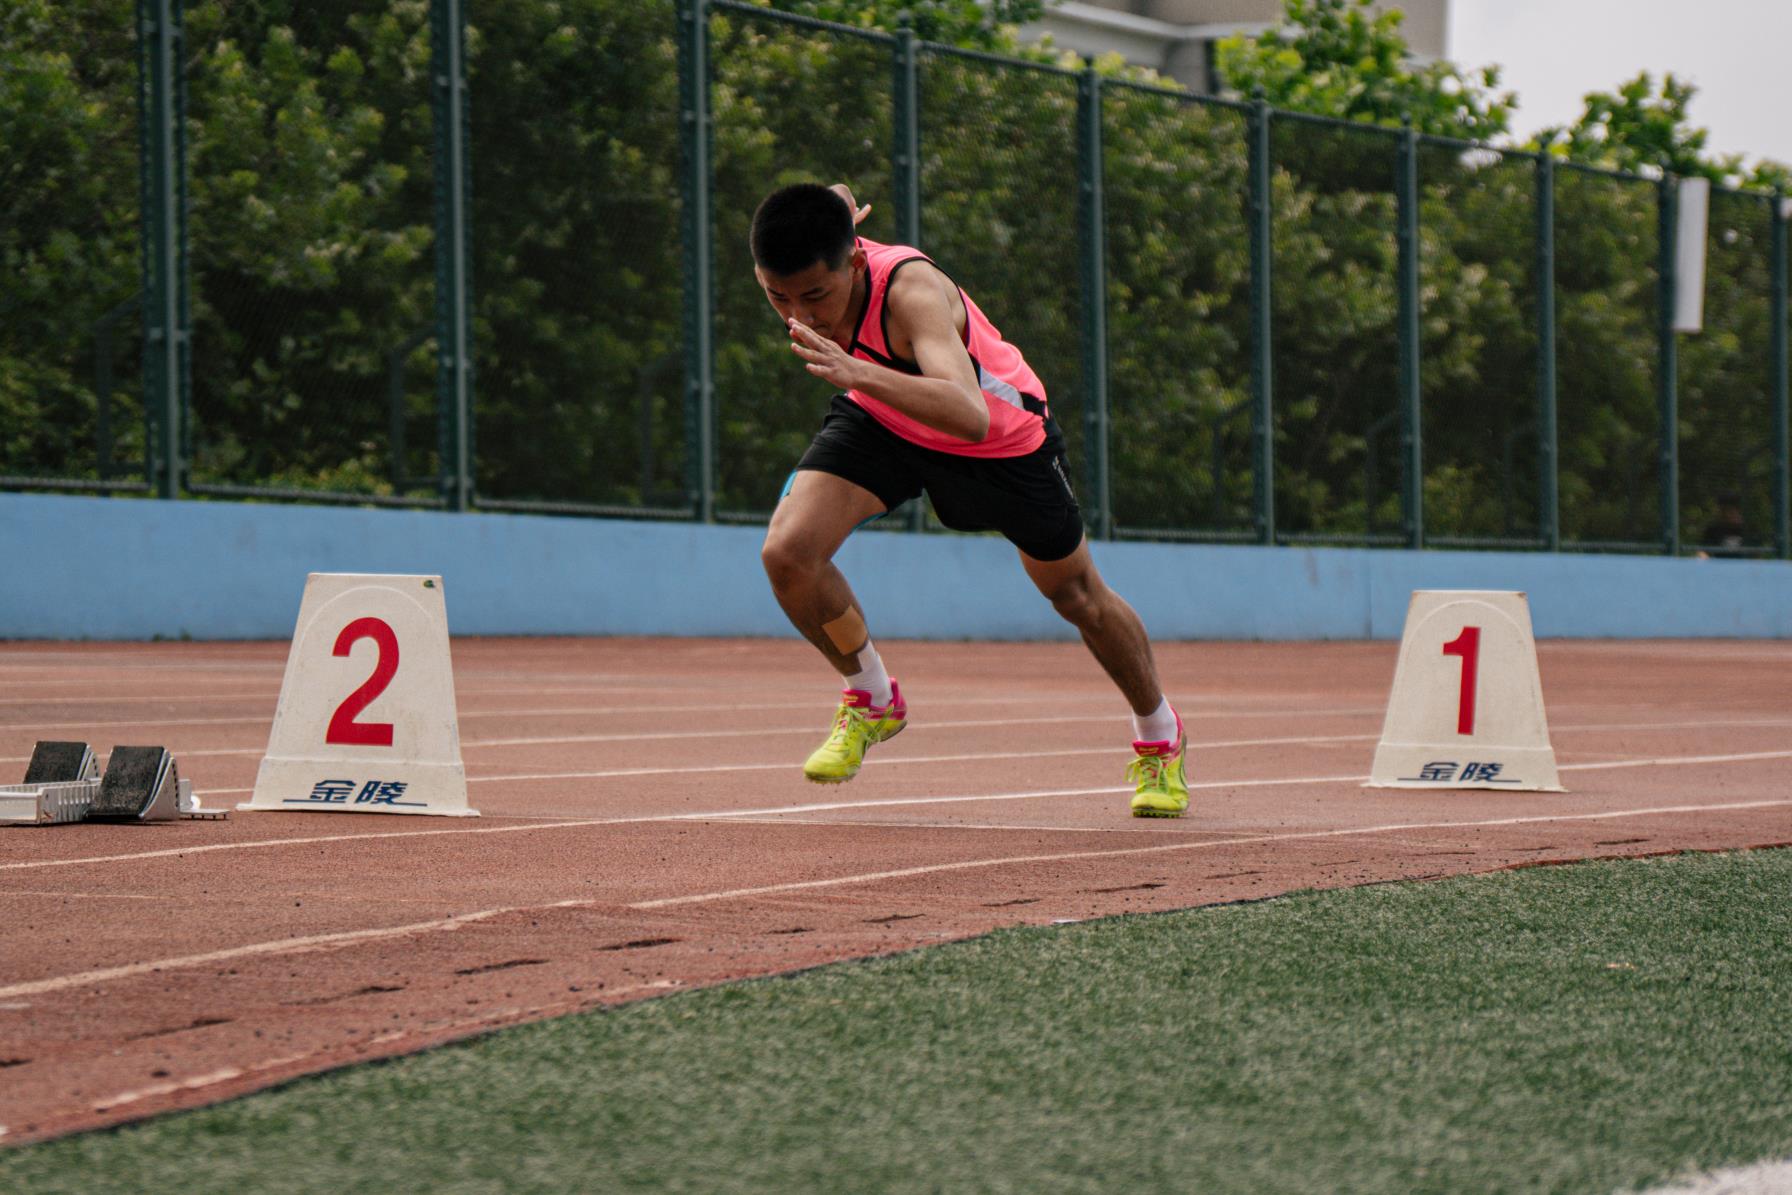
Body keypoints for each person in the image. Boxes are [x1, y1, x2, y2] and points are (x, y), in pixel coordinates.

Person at [750, 181, 1190, 818]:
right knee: (788, 554)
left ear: (852, 261)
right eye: (777, 296)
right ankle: (872, 697)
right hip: (884, 420)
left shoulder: (912, 294)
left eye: (815, 295)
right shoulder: (813, 258)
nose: (801, 315)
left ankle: (1160, 735)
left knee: (1076, 595)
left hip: (1000, 445)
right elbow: (829, 201)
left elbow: (967, 412)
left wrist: (857, 373)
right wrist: (835, 201)